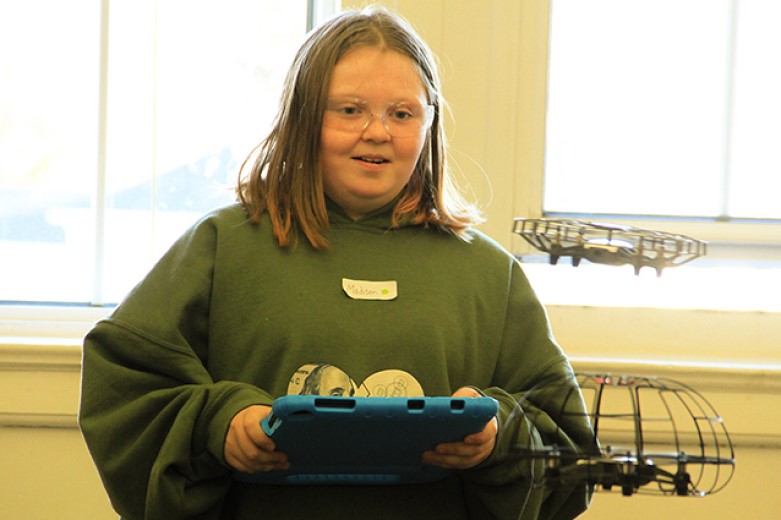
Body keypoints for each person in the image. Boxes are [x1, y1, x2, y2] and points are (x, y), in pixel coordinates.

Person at [79, 6, 595, 520]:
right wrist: (220, 423)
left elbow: (569, 450)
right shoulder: (220, 247)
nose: (377, 132)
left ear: (429, 123)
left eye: (402, 114)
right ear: (302, 118)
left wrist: (497, 434)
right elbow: (124, 387)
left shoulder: (489, 274)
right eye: (350, 110)